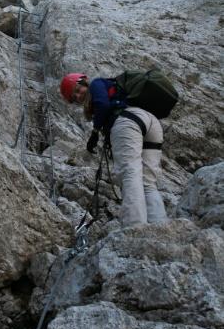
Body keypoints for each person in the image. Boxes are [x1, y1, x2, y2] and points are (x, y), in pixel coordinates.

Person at [60, 73, 168, 227]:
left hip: (127, 122)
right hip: (150, 123)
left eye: (77, 89)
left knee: (130, 173)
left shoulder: (96, 84)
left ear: (84, 82)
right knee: (148, 182)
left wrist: (95, 132)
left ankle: (135, 226)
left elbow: (103, 104)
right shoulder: (113, 88)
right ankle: (160, 225)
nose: (78, 95)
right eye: (74, 96)